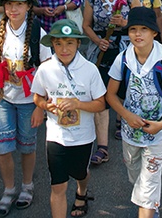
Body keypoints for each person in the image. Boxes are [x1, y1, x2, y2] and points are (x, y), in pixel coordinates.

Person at [106, 7, 162, 218]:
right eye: (133, 29)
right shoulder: (123, 60)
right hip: (130, 134)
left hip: (158, 135)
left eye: (144, 29)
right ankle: (149, 203)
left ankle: (149, 206)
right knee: (136, 178)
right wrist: (126, 115)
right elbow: (111, 95)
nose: (138, 34)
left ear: (154, 32)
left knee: (148, 182)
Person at [0, 0, 51, 217]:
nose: (13, 9)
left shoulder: (37, 33)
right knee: (2, 147)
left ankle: (27, 186)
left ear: (29, 7)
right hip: (3, 97)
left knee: (27, 145)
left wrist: (41, 106)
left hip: (29, 100)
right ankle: (9, 189)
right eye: (9, 4)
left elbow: (47, 70)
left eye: (19, 4)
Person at [32, 19, 106, 218]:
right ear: (52, 44)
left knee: (81, 173)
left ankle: (82, 191)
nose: (64, 49)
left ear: (78, 44)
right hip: (56, 137)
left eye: (69, 43)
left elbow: (101, 104)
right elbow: (37, 96)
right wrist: (45, 106)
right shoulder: (45, 69)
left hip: (83, 136)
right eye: (58, 44)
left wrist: (78, 104)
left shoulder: (90, 70)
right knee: (58, 185)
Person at [83, 0, 140, 163]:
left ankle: (122, 120)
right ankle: (102, 147)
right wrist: (98, 42)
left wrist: (126, 23)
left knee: (123, 86)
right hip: (101, 48)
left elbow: (142, 19)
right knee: (101, 92)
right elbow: (86, 25)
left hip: (125, 46)